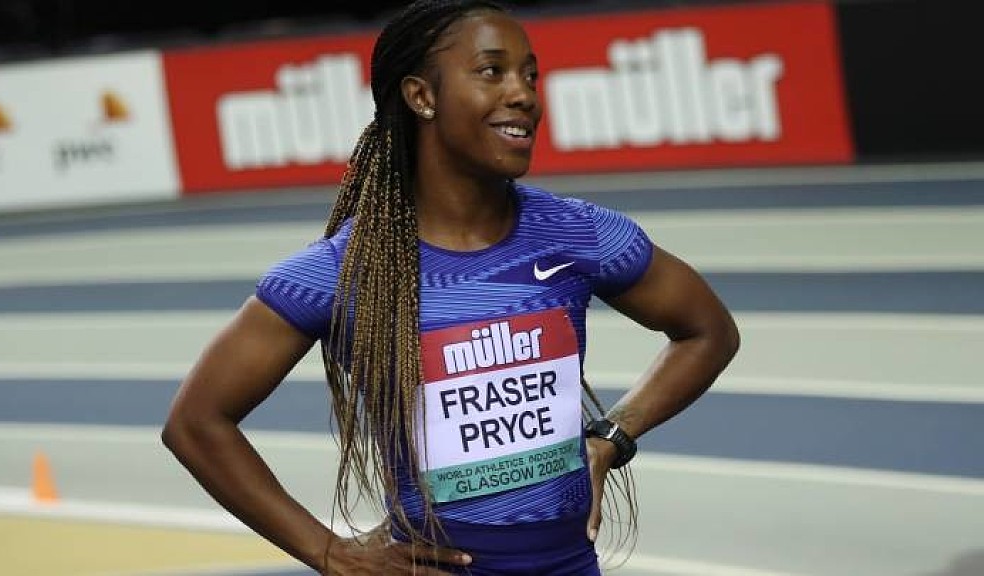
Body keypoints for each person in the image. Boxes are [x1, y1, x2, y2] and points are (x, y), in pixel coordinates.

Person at [161, 1, 740, 574]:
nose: (523, 94)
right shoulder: (344, 271)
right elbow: (196, 423)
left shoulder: (576, 234)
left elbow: (708, 332)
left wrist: (611, 437)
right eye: (492, 71)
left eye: (530, 75)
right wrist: (330, 553)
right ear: (422, 96)